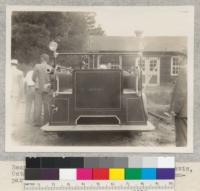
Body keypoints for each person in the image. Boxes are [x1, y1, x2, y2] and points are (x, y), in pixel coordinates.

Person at [169, 57, 187, 146]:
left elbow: (181, 93)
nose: (178, 58)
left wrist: (175, 110)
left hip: (183, 112)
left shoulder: (184, 71)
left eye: (179, 56)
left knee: (182, 140)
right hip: (188, 111)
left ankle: (182, 159)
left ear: (184, 58)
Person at [32, 54, 52, 127]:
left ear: (42, 58)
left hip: (38, 88)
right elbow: (50, 78)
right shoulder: (49, 67)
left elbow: (33, 77)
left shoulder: (37, 66)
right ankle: (46, 122)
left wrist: (37, 82)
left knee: (38, 105)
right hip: (46, 88)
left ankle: (37, 122)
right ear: (47, 59)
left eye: (40, 58)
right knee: (46, 105)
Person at [10, 59, 24, 125]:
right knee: (14, 107)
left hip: (8, 91)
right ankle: (13, 121)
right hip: (15, 91)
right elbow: (21, 85)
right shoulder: (19, 72)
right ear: (17, 64)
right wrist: (22, 95)